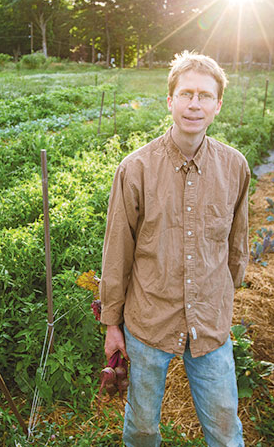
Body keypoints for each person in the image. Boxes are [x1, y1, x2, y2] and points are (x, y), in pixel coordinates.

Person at [99, 51, 249, 447]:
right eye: (186, 94)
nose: (194, 104)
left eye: (204, 96)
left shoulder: (235, 167)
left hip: (210, 325)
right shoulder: (136, 169)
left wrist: (222, 298)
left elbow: (237, 245)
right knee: (143, 427)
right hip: (149, 322)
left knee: (224, 428)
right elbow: (117, 252)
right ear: (170, 100)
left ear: (218, 104)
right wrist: (113, 324)